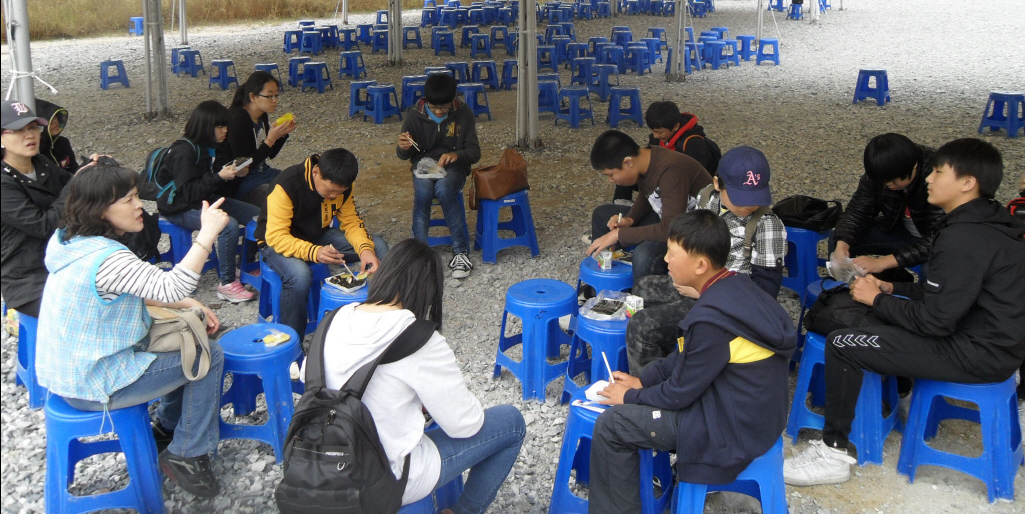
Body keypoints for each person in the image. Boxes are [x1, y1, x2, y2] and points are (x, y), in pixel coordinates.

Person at [783, 138, 1025, 487]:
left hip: (974, 352)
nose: (929, 179)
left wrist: (874, 300)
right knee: (883, 315)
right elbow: (945, 297)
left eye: (939, 172)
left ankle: (832, 454)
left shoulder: (962, 239)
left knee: (843, 343)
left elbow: (935, 320)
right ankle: (903, 395)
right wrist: (891, 288)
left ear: (967, 183)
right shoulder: (989, 221)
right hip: (995, 343)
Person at [35, 163, 229, 498]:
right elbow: (171, 286)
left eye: (137, 195)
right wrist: (207, 234)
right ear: (100, 210)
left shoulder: (67, 239)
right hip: (93, 380)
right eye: (128, 199)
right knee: (207, 354)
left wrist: (189, 305)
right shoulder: (108, 258)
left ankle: (165, 428)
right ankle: (188, 453)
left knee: (179, 342)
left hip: (66, 372)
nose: (140, 205)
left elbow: (139, 287)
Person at [587, 210, 797, 513]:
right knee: (646, 373)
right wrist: (643, 381)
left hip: (731, 428)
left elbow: (678, 393)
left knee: (612, 425)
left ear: (700, 265)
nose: (666, 261)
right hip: (755, 412)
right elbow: (687, 358)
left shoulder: (712, 320)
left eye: (673, 254)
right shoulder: (735, 285)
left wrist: (630, 396)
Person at [302, 238, 525, 511]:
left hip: (315, 466)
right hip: (382, 480)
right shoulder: (419, 338)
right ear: (429, 291)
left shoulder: (333, 318)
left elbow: (309, 377)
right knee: (512, 423)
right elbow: (464, 424)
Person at [626, 146, 788, 374]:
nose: (748, 206)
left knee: (642, 326)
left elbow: (765, 292)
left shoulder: (768, 225)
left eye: (755, 198)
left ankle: (655, 396)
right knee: (642, 288)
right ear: (717, 184)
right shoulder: (707, 199)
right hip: (699, 286)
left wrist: (705, 291)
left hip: (730, 307)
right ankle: (672, 367)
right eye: (740, 198)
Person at [256, 148, 389, 338]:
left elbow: (351, 222)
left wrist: (365, 249)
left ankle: (386, 320)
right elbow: (276, 236)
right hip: (276, 242)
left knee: (378, 246)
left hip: (317, 235)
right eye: (330, 191)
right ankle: (292, 342)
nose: (334, 196)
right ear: (316, 171)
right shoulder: (287, 185)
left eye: (339, 193)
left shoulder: (342, 186)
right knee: (299, 275)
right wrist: (314, 252)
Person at [156, 100, 258, 303]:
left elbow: (213, 186)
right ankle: (226, 283)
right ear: (205, 127)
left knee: (257, 214)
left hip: (203, 200)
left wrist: (234, 174)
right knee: (227, 225)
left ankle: (242, 265)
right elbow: (186, 193)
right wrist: (219, 177)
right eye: (220, 127)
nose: (225, 131)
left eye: (225, 126)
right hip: (179, 207)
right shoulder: (184, 152)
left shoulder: (212, 148)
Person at [587, 129, 713, 287]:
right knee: (602, 214)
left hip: (692, 235)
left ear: (628, 162)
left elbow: (670, 229)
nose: (611, 180)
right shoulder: (646, 159)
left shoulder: (671, 170)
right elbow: (649, 194)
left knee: (644, 254)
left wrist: (620, 234)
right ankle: (605, 282)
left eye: (611, 174)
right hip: (669, 219)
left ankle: (641, 301)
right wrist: (630, 219)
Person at [396, 73, 481, 279]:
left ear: (454, 101)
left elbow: (474, 152)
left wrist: (456, 155)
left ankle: (460, 252)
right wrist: (403, 147)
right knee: (423, 193)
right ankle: (419, 254)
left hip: (454, 168)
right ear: (426, 102)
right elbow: (403, 155)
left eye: (444, 108)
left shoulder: (463, 114)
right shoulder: (414, 115)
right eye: (434, 108)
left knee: (445, 190)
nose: (439, 111)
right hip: (423, 167)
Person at [829, 133, 944, 279]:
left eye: (894, 181)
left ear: (914, 165)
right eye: (884, 181)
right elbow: (857, 211)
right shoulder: (879, 173)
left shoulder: (935, 176)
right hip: (902, 233)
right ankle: (849, 292)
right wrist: (842, 244)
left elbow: (938, 239)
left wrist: (882, 262)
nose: (889, 185)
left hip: (935, 243)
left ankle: (912, 297)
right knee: (839, 240)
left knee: (935, 271)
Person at [1, 99, 74, 317]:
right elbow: (44, 225)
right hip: (27, 282)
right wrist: (77, 183)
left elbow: (74, 189)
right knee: (80, 313)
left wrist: (92, 172)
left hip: (64, 264)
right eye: (18, 130)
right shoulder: (3, 183)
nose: (30, 135)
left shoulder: (41, 163)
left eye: (33, 127)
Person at [219, 71, 296, 206]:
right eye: (269, 96)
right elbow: (243, 163)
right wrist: (270, 140)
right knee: (283, 200)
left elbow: (270, 154)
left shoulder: (262, 115)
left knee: (300, 185)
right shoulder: (238, 120)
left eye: (276, 95)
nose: (275, 100)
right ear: (253, 97)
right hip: (244, 183)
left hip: (264, 173)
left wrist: (282, 134)